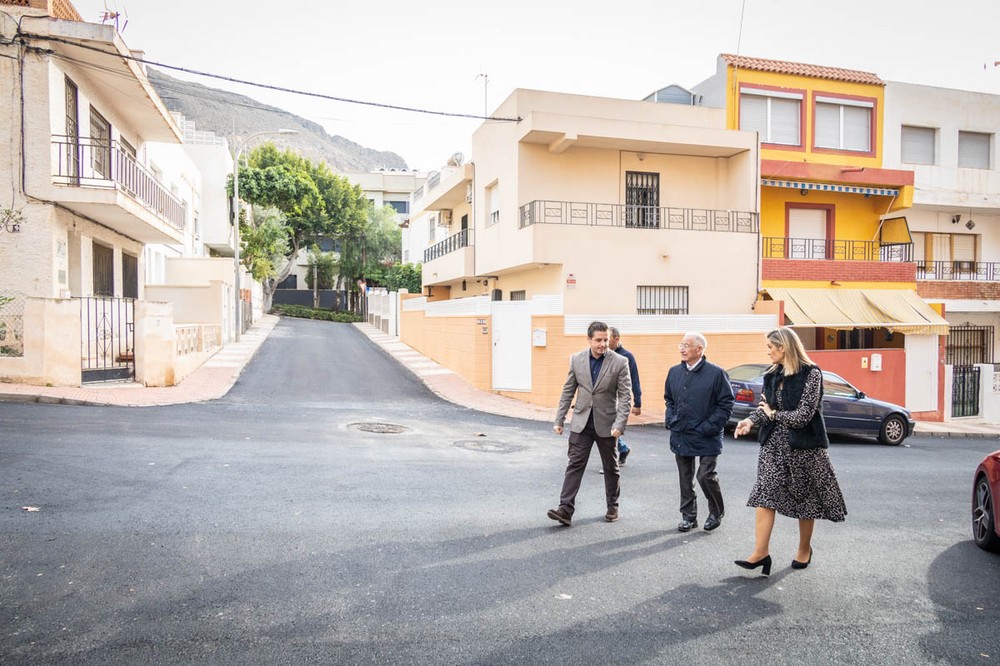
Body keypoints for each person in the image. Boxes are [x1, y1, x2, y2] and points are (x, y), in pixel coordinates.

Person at [733, 327, 847, 576]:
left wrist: (774, 414)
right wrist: (750, 421)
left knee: (806, 500)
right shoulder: (771, 374)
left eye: (770, 347)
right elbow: (764, 408)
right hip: (773, 445)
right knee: (765, 493)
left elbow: (804, 415)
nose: (768, 352)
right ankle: (760, 553)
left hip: (803, 447)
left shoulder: (811, 374)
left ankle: (804, 549)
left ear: (783, 347)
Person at [549, 321, 632, 526]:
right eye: (598, 340)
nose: (603, 344)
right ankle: (565, 509)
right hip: (581, 422)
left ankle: (612, 505)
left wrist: (620, 424)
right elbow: (568, 390)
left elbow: (625, 396)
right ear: (589, 340)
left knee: (610, 467)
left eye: (605, 340)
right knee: (574, 464)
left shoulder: (620, 362)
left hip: (607, 424)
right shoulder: (576, 359)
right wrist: (559, 419)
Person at [664, 332, 734, 533]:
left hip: (707, 434)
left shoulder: (716, 373)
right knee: (685, 477)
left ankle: (716, 512)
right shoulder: (674, 372)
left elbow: (726, 404)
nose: (682, 348)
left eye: (686, 345)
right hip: (681, 431)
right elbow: (669, 399)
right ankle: (688, 517)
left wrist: (709, 427)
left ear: (699, 349)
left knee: (705, 475)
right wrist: (671, 419)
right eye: (681, 344)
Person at [608, 327, 641, 466]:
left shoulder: (627, 356)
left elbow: (634, 380)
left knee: (611, 429)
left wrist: (638, 403)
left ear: (617, 339)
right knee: (607, 429)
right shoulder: (602, 354)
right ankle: (623, 449)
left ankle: (610, 463)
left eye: (607, 339)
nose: (604, 342)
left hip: (619, 400)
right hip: (605, 400)